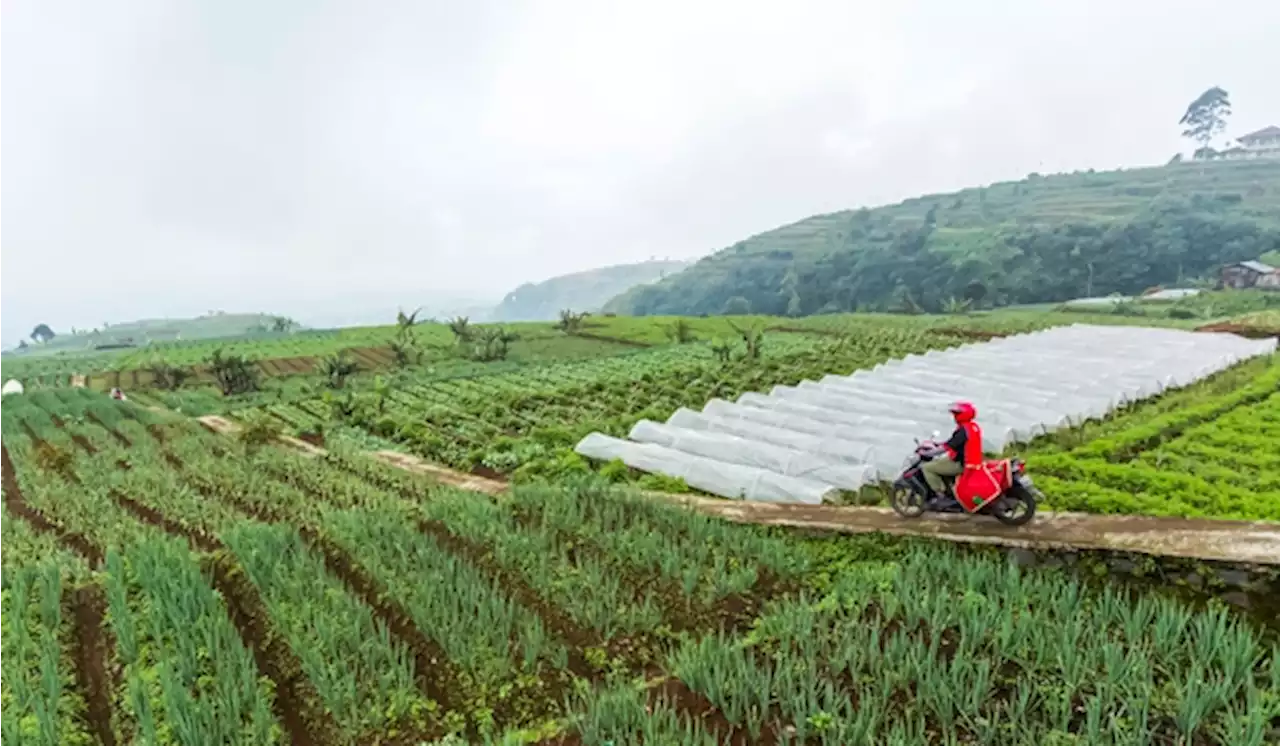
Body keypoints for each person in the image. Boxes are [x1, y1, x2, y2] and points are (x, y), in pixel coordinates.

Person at [921, 401, 981, 499]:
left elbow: (946, 448)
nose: (954, 417)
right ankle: (948, 489)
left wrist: (928, 453)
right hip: (971, 462)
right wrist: (937, 444)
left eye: (956, 414)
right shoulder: (972, 427)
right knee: (939, 462)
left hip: (961, 464)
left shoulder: (962, 431)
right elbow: (952, 443)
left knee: (927, 468)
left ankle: (940, 495)